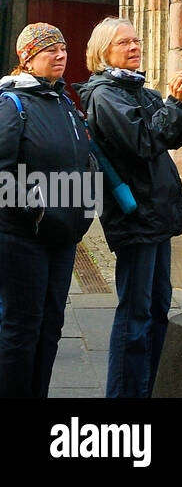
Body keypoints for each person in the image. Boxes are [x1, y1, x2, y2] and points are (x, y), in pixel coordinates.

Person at [77, 17, 182, 398]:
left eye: (137, 40)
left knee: (157, 308)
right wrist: (173, 102)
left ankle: (150, 388)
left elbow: (176, 135)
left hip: (155, 217)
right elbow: (147, 141)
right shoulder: (105, 94)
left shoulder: (139, 90)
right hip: (134, 218)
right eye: (124, 43)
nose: (135, 47)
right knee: (135, 315)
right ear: (103, 52)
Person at [0, 24, 95, 397]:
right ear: (27, 58)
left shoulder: (62, 102)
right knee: (22, 328)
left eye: (63, 48)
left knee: (51, 326)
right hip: (22, 238)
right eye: (49, 50)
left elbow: (80, 159)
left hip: (64, 236)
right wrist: (35, 209)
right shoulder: (12, 105)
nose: (60, 55)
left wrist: (85, 207)